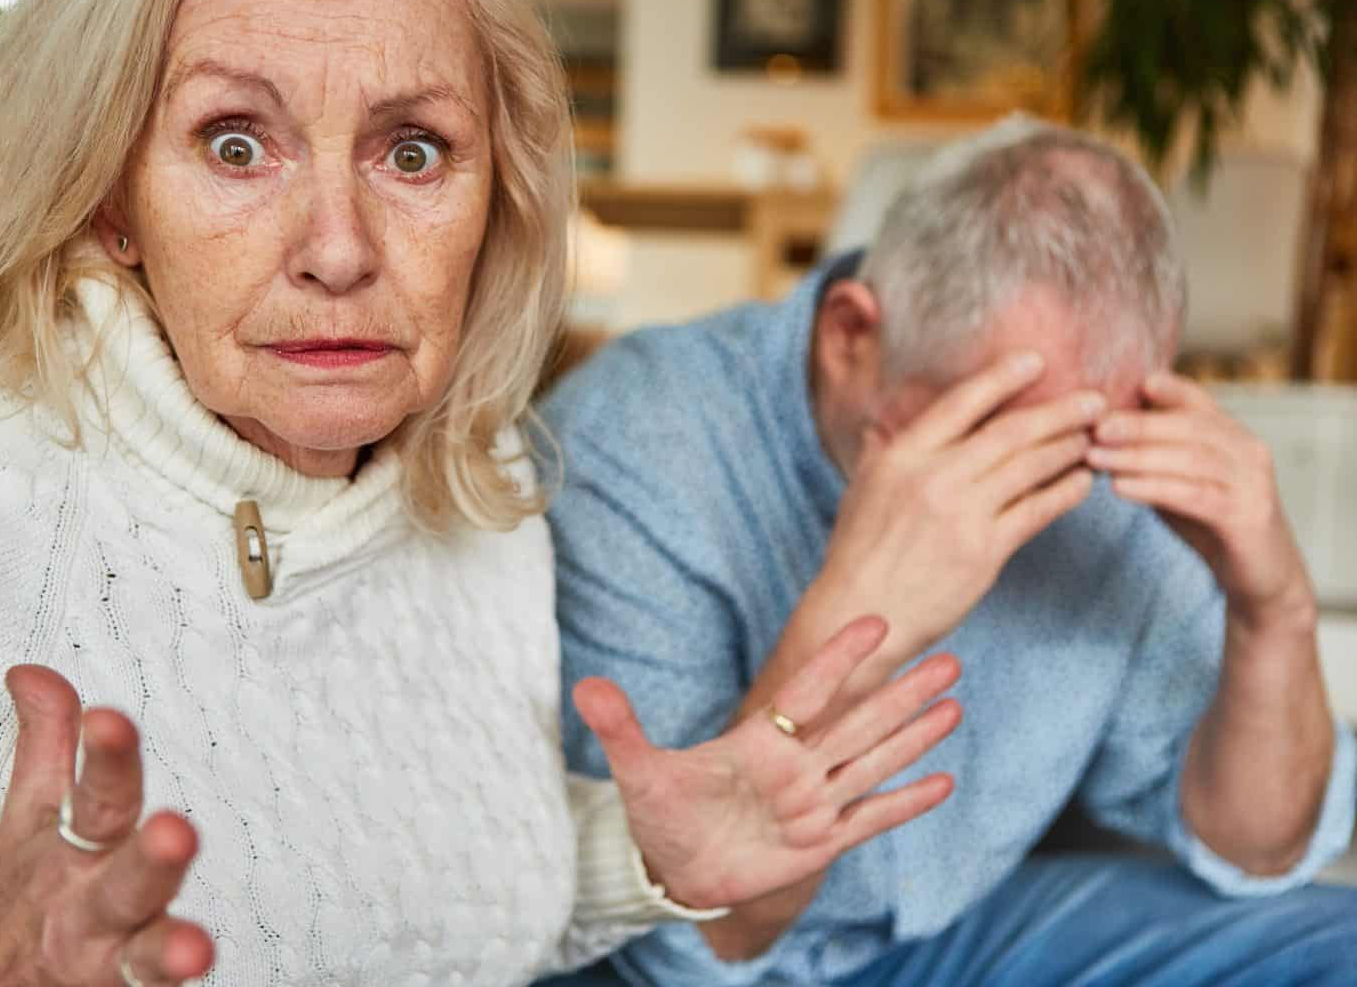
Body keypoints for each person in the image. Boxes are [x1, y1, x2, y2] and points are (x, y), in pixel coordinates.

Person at [0, 0, 968, 984]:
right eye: (236, 145)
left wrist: (638, 860)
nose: (337, 250)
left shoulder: (481, 490)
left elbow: (407, 903)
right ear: (115, 202)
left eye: (415, 153)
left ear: (498, 204)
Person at [539, 118, 1357, 986]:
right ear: (853, 336)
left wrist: (1272, 608)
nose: (1052, 492)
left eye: (1087, 441)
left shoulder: (1106, 466)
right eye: (995, 437)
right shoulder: (634, 444)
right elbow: (684, 952)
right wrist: (862, 617)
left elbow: (1256, 849)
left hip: (964, 935)